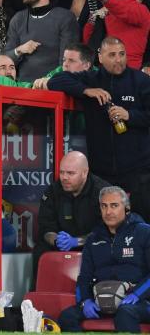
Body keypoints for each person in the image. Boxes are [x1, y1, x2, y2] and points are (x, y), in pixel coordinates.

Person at [49, 38, 150, 217]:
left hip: (138, 172)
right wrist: (86, 91)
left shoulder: (141, 81)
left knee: (141, 224)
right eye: (112, 55)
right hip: (102, 173)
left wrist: (130, 115)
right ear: (100, 57)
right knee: (104, 226)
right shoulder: (91, 79)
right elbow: (56, 81)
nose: (118, 59)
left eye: (122, 54)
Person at [57, 186, 150, 332]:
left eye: (114, 205)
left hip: (140, 301)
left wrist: (137, 294)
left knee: (125, 313)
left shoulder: (144, 232)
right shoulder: (93, 239)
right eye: (104, 206)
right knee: (67, 316)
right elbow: (84, 278)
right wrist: (85, 301)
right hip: (102, 299)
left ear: (126, 207)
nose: (108, 212)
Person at [34, 151, 110, 283]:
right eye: (62, 172)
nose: (64, 177)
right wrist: (56, 240)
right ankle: (38, 295)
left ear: (84, 173)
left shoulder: (103, 192)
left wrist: (76, 241)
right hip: (60, 244)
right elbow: (45, 227)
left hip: (92, 242)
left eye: (70, 173)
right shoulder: (53, 191)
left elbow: (108, 230)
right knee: (41, 249)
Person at [5, 0, 80, 81]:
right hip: (21, 89)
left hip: (52, 88)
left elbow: (67, 62)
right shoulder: (18, 19)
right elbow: (5, 60)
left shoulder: (65, 18)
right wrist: (19, 50)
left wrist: (51, 83)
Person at [84, 0, 150, 69]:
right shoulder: (108, 11)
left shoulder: (141, 10)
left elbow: (124, 11)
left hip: (129, 74)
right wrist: (94, 16)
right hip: (105, 72)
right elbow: (88, 41)